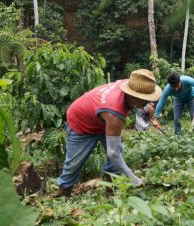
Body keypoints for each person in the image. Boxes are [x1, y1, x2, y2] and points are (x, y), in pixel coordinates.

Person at [56, 69, 162, 197]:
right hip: (81, 121)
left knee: (118, 149)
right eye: (145, 99)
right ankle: (63, 193)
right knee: (74, 162)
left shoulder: (130, 85)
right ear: (133, 95)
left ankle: (111, 190)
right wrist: (133, 179)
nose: (148, 102)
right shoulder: (114, 112)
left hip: (101, 119)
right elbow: (113, 153)